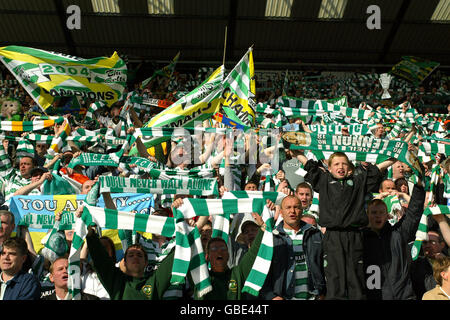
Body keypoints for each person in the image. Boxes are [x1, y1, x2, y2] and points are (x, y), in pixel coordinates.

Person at [296, 151, 395, 299]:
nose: (340, 167)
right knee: (335, 279)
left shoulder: (358, 181)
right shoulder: (323, 180)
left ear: (349, 167)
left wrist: (395, 157)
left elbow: (377, 169)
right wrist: (297, 153)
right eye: (336, 164)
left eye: (344, 164)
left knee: (355, 279)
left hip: (354, 236)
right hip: (332, 237)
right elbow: (309, 166)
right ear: (329, 168)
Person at [174, 198, 275, 300]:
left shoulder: (237, 274)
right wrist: (181, 214)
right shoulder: (200, 275)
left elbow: (253, 253)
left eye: (223, 248)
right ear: (207, 256)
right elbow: (184, 251)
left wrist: (264, 225)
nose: (219, 251)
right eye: (214, 248)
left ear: (228, 254)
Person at [363, 176, 425, 300]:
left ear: (387, 215)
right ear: (367, 215)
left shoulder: (398, 233)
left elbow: (414, 212)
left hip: (404, 296)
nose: (378, 216)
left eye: (381, 213)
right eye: (374, 213)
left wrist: (418, 186)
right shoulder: (359, 238)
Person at [85, 221, 175, 300]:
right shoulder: (116, 280)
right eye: (131, 255)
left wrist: (187, 226)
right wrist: (89, 230)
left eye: (139, 255)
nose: (135, 257)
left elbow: (175, 256)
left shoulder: (154, 281)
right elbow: (99, 257)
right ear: (124, 262)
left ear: (146, 262)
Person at [259, 195, 325, 300]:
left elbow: (327, 265)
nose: (292, 211)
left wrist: (324, 293)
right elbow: (260, 270)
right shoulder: (271, 237)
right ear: (281, 212)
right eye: (288, 207)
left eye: (296, 207)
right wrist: (271, 296)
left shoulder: (315, 234)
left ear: (302, 210)